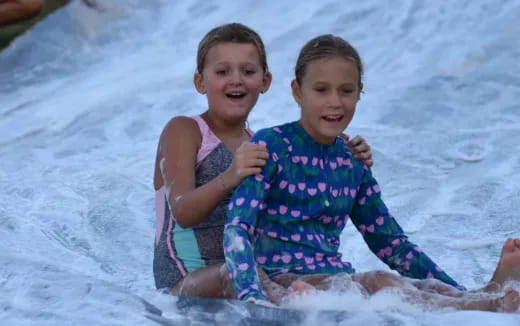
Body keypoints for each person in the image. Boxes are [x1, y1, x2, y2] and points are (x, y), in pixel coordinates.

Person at [223, 34, 520, 312]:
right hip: (281, 281)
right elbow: (238, 227)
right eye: (321, 90)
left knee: (389, 282)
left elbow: (390, 243)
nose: (335, 102)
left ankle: (476, 296)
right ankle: (479, 306)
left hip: (335, 279)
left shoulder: (351, 161)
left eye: (347, 91)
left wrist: (451, 287)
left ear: (359, 93)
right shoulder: (270, 145)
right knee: (379, 283)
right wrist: (254, 298)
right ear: (297, 91)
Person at [152, 24, 374, 301]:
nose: (236, 80)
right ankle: (288, 311)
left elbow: (299, 199)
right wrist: (230, 176)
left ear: (265, 81)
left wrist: (344, 154)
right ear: (200, 82)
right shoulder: (185, 130)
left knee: (315, 280)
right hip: (186, 279)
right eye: (222, 72)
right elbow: (182, 210)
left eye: (248, 71)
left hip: (249, 271)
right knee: (237, 275)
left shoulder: (263, 143)